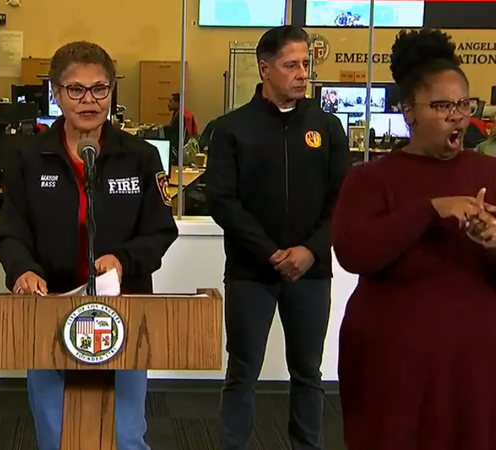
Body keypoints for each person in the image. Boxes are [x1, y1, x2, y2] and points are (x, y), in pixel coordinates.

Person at [0, 41, 178, 450]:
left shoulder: (141, 157)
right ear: (56, 93)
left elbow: (161, 231)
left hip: (123, 312)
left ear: (112, 91)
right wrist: (22, 270)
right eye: (75, 89)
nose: (89, 100)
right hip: (50, 311)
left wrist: (123, 260)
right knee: (55, 437)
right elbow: (11, 231)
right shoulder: (27, 156)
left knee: (126, 436)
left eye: (100, 89)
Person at [332, 29, 496, 450]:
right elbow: (353, 252)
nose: (457, 116)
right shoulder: (370, 179)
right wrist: (430, 210)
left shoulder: (489, 174)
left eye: (464, 104)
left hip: (475, 362)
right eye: (442, 105)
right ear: (408, 111)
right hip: (392, 362)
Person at [205, 26, 349, 450]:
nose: (302, 73)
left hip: (312, 271)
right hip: (251, 272)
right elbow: (223, 202)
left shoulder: (328, 127)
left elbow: (342, 199)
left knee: (308, 373)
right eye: (291, 65)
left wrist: (310, 250)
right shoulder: (232, 129)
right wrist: (271, 253)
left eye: (306, 64)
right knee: (242, 370)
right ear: (265, 69)